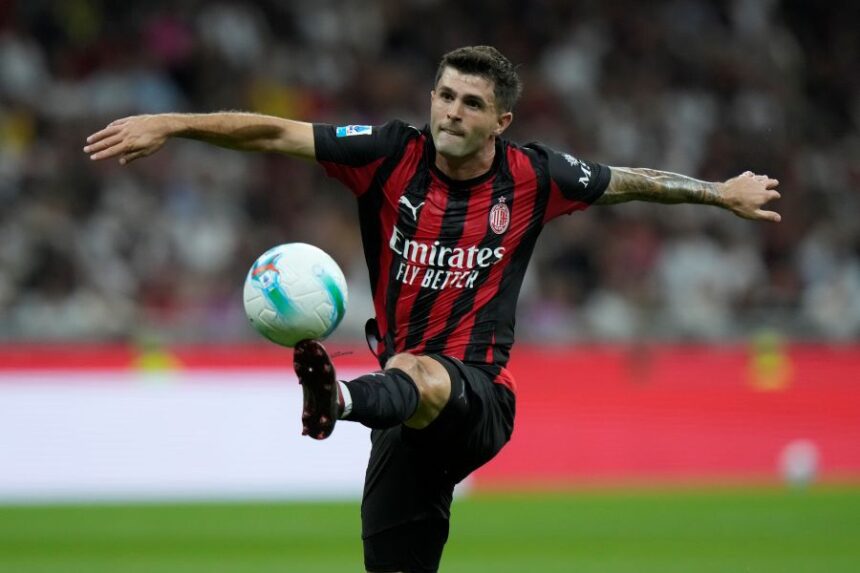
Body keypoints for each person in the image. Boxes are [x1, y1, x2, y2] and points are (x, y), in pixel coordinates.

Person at [84, 45, 780, 573]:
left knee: (424, 368)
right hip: (403, 413)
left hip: (478, 397)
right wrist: (168, 123)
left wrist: (719, 192)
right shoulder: (388, 154)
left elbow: (630, 183)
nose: (452, 111)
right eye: (445, 95)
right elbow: (274, 134)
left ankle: (338, 400)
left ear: (500, 120)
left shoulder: (535, 174)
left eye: (472, 104)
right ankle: (355, 401)